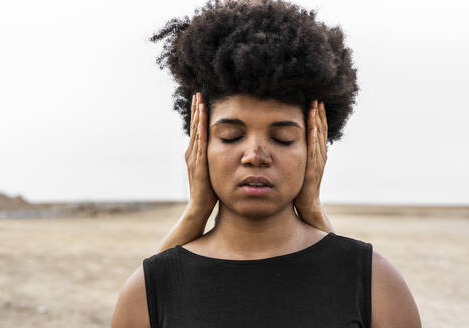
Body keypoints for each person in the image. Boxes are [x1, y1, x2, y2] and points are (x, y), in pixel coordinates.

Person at [111, 1, 421, 327]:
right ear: (198, 146)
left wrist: (315, 214)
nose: (255, 154)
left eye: (283, 138)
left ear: (314, 148)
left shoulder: (376, 283)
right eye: (231, 136)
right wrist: (196, 211)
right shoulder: (147, 290)